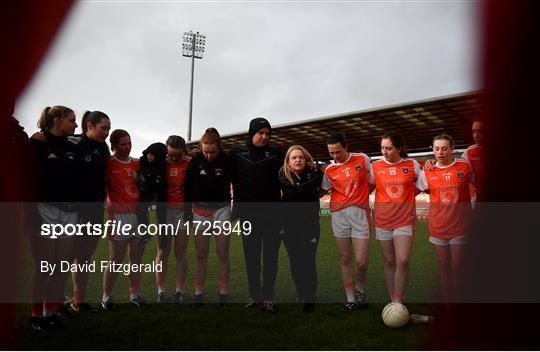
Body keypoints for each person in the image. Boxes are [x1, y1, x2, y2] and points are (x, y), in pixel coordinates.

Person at [29, 106, 81, 329]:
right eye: (72, 120)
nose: (75, 125)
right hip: (45, 211)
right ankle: (36, 316)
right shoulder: (38, 142)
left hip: (69, 212)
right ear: (58, 120)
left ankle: (50, 313)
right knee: (45, 266)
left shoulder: (71, 145)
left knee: (61, 266)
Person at [230, 117, 283, 313]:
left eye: (267, 134)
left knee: (271, 256)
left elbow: (288, 172)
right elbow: (227, 173)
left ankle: (268, 297)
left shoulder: (276, 152)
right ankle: (254, 295)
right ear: (252, 132)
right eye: (260, 133)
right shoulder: (237, 152)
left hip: (272, 214)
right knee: (251, 256)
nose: (264, 137)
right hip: (248, 214)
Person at [416, 133, 474, 304]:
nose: (440, 152)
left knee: (458, 267)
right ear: (433, 151)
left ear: (452, 149)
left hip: (460, 226)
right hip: (438, 226)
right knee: (444, 267)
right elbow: (417, 188)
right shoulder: (427, 172)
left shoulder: (465, 166)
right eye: (436, 149)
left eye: (444, 148)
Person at [321, 132, 372, 312]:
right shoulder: (329, 170)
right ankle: (351, 299)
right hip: (339, 215)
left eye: (338, 152)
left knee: (361, 261)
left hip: (360, 214)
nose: (335, 157)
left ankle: (360, 289)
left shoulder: (362, 159)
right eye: (331, 153)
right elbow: (324, 190)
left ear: (346, 147)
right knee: (345, 258)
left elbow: (373, 181)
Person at [184, 128, 233, 307]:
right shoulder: (196, 161)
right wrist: (187, 210)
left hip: (222, 210)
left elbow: (238, 183)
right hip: (200, 211)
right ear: (200, 148)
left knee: (222, 254)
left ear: (219, 147)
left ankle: (223, 293)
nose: (209, 155)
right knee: (201, 255)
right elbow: (188, 187)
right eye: (205, 152)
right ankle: (199, 293)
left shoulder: (227, 161)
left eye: (213, 152)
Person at [370, 131, 421, 305]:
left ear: (399, 148)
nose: (384, 152)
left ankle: (398, 301)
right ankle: (393, 299)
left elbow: (422, 185)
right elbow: (369, 186)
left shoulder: (412, 164)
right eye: (382, 148)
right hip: (383, 220)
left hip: (404, 220)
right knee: (389, 261)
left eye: (389, 148)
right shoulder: (375, 166)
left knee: (403, 260)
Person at [101, 129, 147, 309]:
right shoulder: (108, 164)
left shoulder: (137, 163)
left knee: (136, 260)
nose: (127, 147)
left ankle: (134, 294)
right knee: (115, 260)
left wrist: (141, 180)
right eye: (123, 144)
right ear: (113, 146)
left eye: (129, 143)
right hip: (118, 217)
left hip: (139, 217)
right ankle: (106, 296)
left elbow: (148, 185)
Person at [70, 111, 111, 313]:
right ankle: (53, 303)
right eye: (104, 128)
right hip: (74, 211)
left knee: (84, 258)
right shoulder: (73, 142)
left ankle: (79, 300)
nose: (107, 132)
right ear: (89, 125)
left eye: (109, 129)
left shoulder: (103, 148)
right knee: (65, 257)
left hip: (95, 210)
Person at [278, 145, 323, 314]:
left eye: (301, 157)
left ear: (306, 160)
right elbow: (297, 191)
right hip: (289, 228)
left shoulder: (316, 174)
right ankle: (301, 291)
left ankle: (309, 298)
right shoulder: (282, 176)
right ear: (288, 163)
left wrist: (315, 168)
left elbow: (299, 190)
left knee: (308, 261)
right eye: (294, 158)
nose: (298, 160)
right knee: (295, 262)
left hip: (310, 228)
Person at [154, 135, 191, 304]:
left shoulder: (191, 163)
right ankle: (161, 291)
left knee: (181, 252)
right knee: (163, 250)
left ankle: (179, 291)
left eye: (178, 155)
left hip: (183, 213)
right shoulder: (161, 163)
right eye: (171, 155)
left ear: (184, 151)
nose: (175, 158)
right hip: (164, 213)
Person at [424, 119, 483, 200]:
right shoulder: (468, 153)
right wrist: (430, 162)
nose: (476, 135)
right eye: (473, 132)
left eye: (480, 131)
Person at [136, 142, 168, 247]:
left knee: (161, 214)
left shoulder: (162, 166)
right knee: (141, 211)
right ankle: (146, 233)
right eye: (148, 153)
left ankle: (163, 238)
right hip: (146, 191)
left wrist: (139, 178)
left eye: (152, 154)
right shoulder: (142, 161)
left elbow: (153, 181)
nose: (149, 156)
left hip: (157, 191)